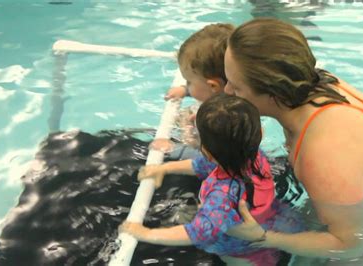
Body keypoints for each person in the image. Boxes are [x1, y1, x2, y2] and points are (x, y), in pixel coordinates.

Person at [222, 18, 363, 264]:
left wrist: (265, 237)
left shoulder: (321, 151)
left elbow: (348, 246)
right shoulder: (315, 81)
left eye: (236, 87)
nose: (226, 92)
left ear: (272, 94)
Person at [120, 94, 304, 265]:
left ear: (207, 151)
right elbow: (202, 165)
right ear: (261, 133)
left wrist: (145, 232)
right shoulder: (254, 155)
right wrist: (165, 168)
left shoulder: (221, 196)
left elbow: (195, 233)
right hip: (271, 218)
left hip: (240, 249)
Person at [151, 23, 234, 154]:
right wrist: (186, 90)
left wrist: (173, 149)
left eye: (189, 82)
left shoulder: (225, 123)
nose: (186, 84)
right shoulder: (230, 99)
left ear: (213, 86)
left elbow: (212, 160)